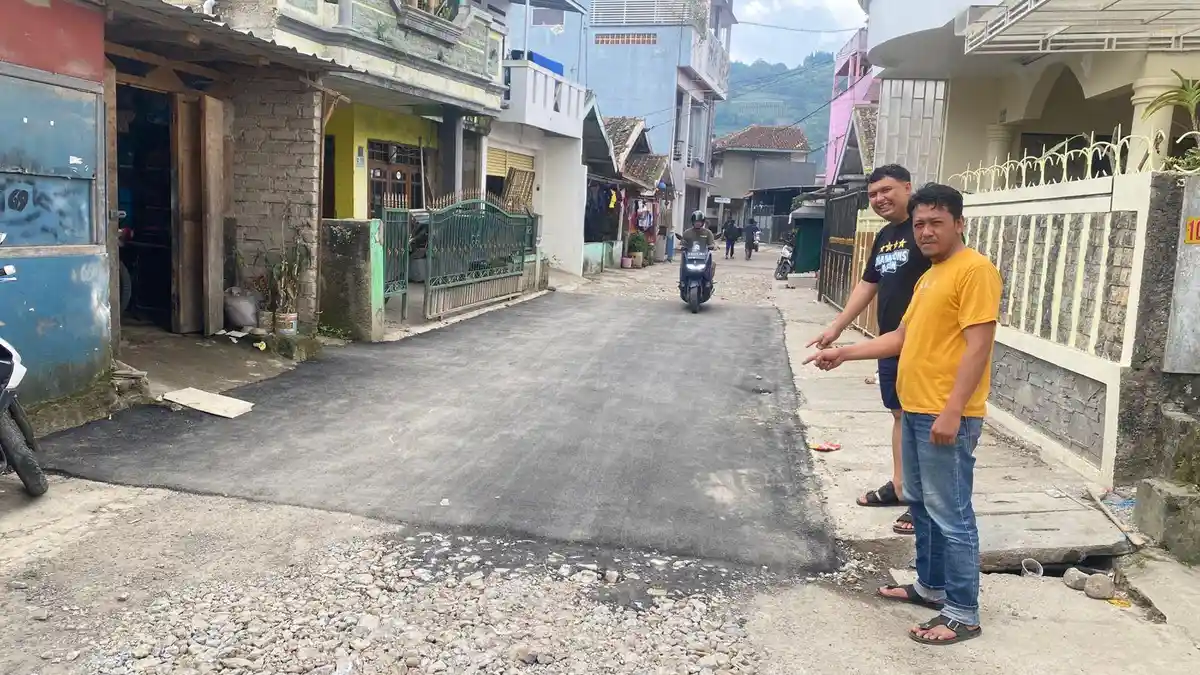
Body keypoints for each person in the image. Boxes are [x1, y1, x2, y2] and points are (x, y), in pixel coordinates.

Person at [805, 183, 1001, 646]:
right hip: (915, 408)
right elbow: (900, 338)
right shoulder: (931, 275)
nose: (927, 232)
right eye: (919, 225)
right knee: (923, 505)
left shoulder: (975, 271)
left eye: (936, 222)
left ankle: (963, 612)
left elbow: (979, 347)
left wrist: (953, 411)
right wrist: (845, 352)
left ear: (959, 223)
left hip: (945, 414)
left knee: (952, 514)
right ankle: (930, 588)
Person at [807, 164, 928, 536]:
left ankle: (921, 502)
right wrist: (835, 328)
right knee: (898, 414)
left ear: (908, 187)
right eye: (873, 194)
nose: (879, 199)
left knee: (920, 419)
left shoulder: (923, 231)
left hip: (923, 343)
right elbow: (868, 284)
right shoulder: (887, 235)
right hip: (890, 341)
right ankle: (901, 485)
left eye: (887, 191)